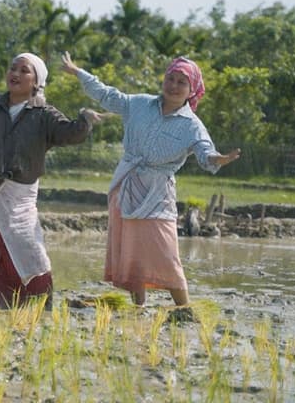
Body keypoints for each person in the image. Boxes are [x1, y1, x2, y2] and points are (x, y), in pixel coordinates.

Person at [61, 52, 241, 307]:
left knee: (166, 250)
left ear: (192, 90)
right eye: (171, 78)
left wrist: (218, 159)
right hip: (127, 183)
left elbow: (205, 152)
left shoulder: (192, 125)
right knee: (132, 248)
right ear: (164, 80)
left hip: (158, 191)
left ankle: (184, 309)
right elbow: (107, 95)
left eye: (182, 82)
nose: (174, 86)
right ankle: (139, 307)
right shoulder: (139, 104)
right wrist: (78, 72)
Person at [0, 53, 104, 308]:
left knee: (28, 243)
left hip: (19, 194)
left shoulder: (44, 114)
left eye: (24, 70)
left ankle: (35, 299)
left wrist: (84, 119)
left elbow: (69, 133)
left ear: (36, 80)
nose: (15, 74)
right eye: (12, 67)